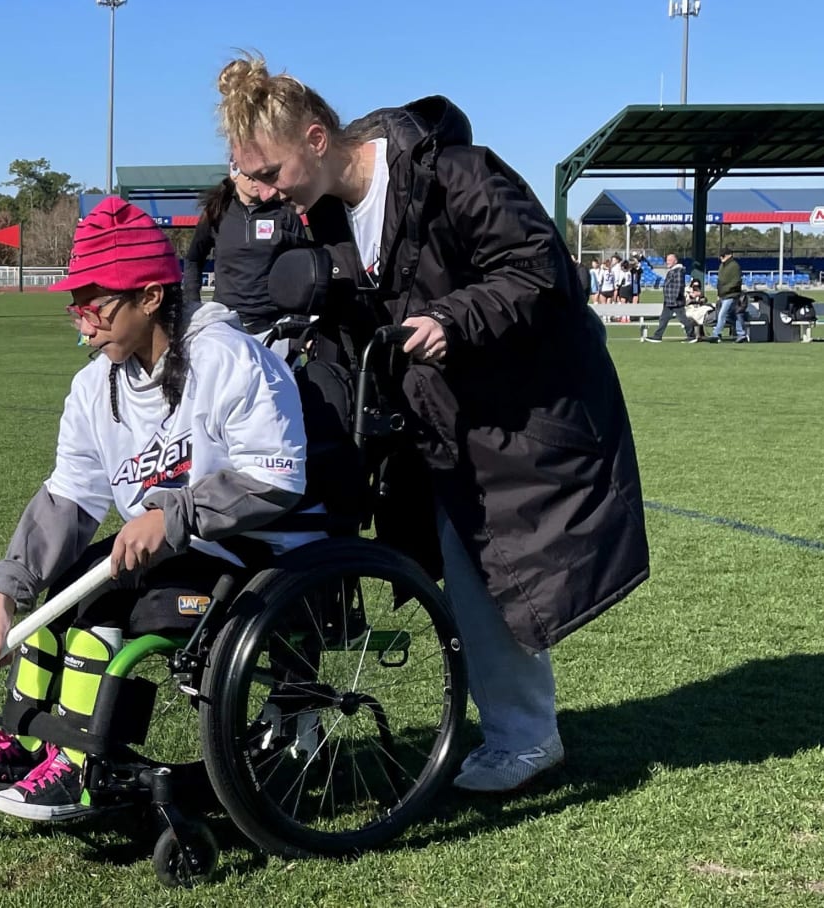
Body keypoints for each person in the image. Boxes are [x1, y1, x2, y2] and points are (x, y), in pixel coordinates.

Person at [218, 53, 649, 794]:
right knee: (466, 567)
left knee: (491, 573)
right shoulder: (318, 212)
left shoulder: (458, 173)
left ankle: (525, 738)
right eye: (247, 177)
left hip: (524, 404)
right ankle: (516, 728)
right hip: (436, 417)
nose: (259, 194)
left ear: (316, 139)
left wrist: (455, 316)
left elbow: (544, 271)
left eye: (267, 174)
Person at [0, 196, 321, 821]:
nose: (82, 324)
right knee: (60, 583)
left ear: (149, 297)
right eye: (75, 308)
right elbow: (69, 496)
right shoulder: (95, 386)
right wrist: (6, 595)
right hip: (171, 549)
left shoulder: (229, 359)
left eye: (96, 306)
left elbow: (276, 479)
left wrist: (174, 513)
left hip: (248, 553)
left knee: (109, 604)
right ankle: (28, 740)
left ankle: (83, 764)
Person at [182, 162, 310, 337]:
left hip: (273, 324)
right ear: (234, 175)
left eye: (263, 177)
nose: (258, 183)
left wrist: (298, 319)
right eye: (251, 177)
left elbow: (302, 267)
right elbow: (193, 260)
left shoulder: (285, 214)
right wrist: (193, 305)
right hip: (225, 325)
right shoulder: (216, 211)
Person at [643, 253, 695, 343]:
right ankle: (657, 336)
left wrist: (675, 298)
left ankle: (691, 336)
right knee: (663, 319)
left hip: (675, 301)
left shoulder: (678, 271)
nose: (668, 262)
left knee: (682, 319)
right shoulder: (673, 271)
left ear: (675, 261)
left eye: (670, 260)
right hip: (669, 301)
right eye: (667, 260)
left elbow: (679, 286)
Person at [708, 249, 745, 342]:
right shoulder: (722, 266)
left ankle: (716, 334)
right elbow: (720, 281)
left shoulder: (735, 266)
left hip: (731, 295)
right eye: (720, 256)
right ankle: (741, 334)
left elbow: (736, 282)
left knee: (722, 314)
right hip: (723, 295)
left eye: (723, 255)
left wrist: (724, 290)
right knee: (734, 315)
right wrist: (719, 293)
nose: (721, 257)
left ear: (729, 255)